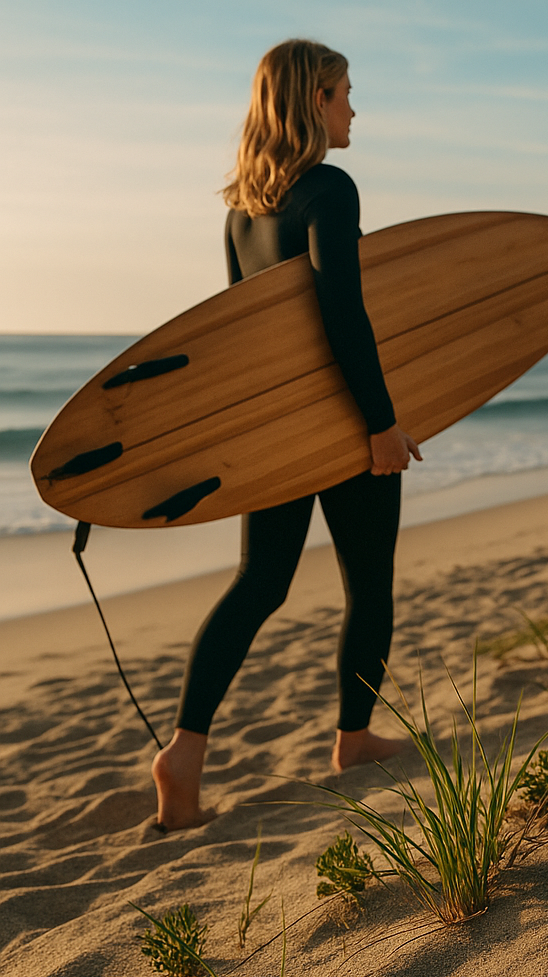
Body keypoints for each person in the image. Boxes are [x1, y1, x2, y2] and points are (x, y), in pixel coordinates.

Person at [152, 39, 421, 831]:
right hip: (341, 423)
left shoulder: (242, 212)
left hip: (281, 429)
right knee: (368, 581)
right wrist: (382, 424)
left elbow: (247, 339)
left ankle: (184, 754)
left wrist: (258, 439)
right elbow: (344, 314)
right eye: (343, 92)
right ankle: (353, 738)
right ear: (313, 100)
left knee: (259, 585)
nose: (352, 108)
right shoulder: (330, 191)